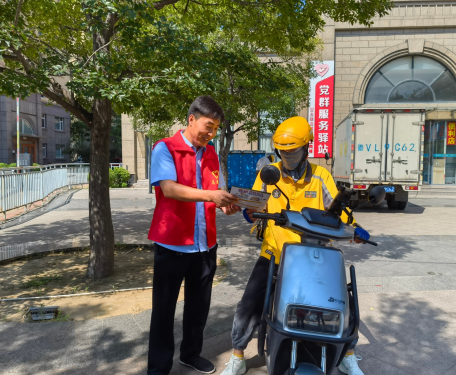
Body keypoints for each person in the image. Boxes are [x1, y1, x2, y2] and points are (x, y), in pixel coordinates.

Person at [220, 116, 370, 375]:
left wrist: (354, 227)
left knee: (343, 302)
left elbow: (337, 210)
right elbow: (256, 204)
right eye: (282, 151)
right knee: (249, 304)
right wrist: (250, 213)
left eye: (292, 151)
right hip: (275, 253)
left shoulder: (320, 176)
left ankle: (347, 353)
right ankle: (238, 355)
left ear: (306, 148)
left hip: (315, 254)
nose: (287, 155)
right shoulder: (269, 175)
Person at [147, 96, 241, 375]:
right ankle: (158, 367)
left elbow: (217, 193)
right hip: (172, 243)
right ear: (191, 119)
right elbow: (170, 189)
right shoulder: (165, 148)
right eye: (208, 126)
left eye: (215, 129)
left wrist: (226, 204)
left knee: (199, 308)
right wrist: (211, 195)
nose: (211, 134)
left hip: (205, 245)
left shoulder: (211, 154)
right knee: (163, 311)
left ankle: (191, 354)